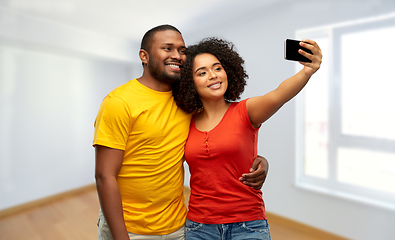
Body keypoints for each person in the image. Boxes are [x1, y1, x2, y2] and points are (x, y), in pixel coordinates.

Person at [93, 25, 269, 240]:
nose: (177, 56)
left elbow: (220, 139)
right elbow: (104, 175)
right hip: (130, 229)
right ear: (144, 56)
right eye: (167, 49)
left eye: (182, 50)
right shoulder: (119, 102)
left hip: (178, 227)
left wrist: (259, 160)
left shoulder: (187, 102)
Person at [172, 37, 322, 239]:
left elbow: (278, 95)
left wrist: (307, 71)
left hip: (247, 225)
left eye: (217, 68)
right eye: (202, 72)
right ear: (190, 82)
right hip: (200, 228)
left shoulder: (246, 111)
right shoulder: (185, 122)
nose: (213, 76)